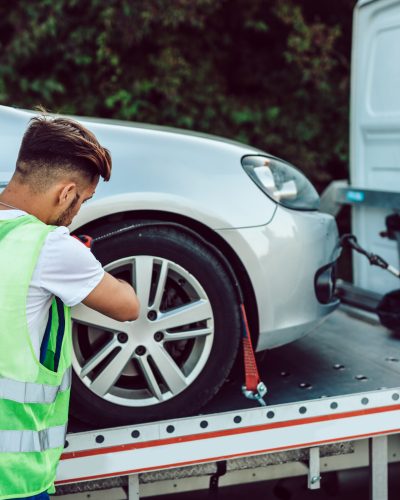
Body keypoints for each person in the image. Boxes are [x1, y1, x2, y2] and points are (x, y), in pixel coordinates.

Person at [0, 113, 140, 499]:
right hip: (12, 480)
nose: (76, 212)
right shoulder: (48, 246)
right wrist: (92, 266)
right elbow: (127, 306)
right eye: (82, 200)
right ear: (65, 193)